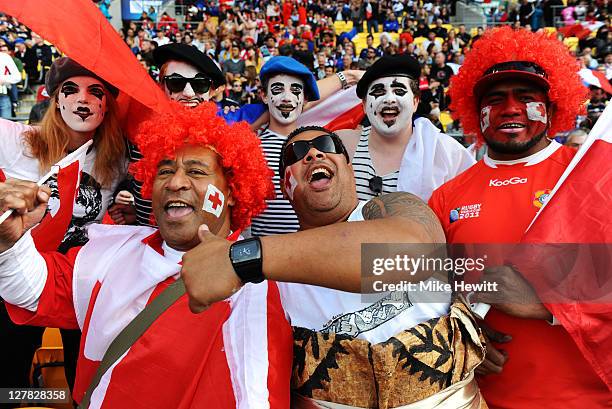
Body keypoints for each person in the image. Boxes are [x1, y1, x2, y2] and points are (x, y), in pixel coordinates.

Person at [0, 103, 292, 408]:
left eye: (196, 171)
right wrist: (10, 240)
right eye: (164, 171)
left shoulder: (258, 288)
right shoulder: (113, 250)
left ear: (232, 191)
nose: (175, 182)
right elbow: (33, 290)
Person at [180, 126, 487, 408]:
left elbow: (410, 254)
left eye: (326, 145)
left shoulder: (395, 209)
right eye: (296, 155)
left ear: (350, 169)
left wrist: (245, 257)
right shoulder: (269, 283)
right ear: (285, 187)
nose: (313, 153)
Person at [428, 26, 610, 408]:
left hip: (590, 397)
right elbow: (425, 290)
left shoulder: (594, 177)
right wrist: (460, 332)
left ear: (554, 105)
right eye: (495, 99)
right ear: (474, 112)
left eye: (526, 97)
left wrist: (548, 305)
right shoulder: (446, 197)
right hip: (486, 400)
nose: (510, 108)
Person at [0, 57, 125, 397]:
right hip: (21, 280)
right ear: (56, 99)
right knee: (9, 381)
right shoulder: (18, 142)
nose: (82, 100)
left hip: (78, 284)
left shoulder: (116, 159)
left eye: (94, 91)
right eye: (71, 90)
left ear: (107, 105)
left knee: (81, 379)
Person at [337, 54, 474, 202]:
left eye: (399, 91)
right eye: (379, 92)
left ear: (415, 102)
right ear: (364, 105)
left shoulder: (447, 152)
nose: (389, 99)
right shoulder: (342, 145)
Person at [250, 56, 362, 236]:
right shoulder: (248, 149)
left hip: (313, 252)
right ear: (264, 95)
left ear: (304, 98)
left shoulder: (324, 147)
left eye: (295, 90)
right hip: (264, 256)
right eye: (278, 89)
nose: (287, 98)